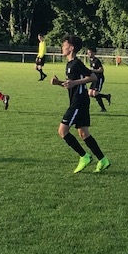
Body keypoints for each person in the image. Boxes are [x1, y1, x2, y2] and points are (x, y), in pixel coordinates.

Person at [51, 35, 111, 173]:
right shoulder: (69, 64)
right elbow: (70, 84)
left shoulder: (76, 63)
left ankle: (84, 157)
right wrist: (59, 83)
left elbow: (93, 77)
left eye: (64, 45)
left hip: (79, 101)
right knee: (83, 133)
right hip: (79, 100)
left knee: (62, 131)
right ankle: (103, 160)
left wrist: (74, 82)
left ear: (71, 48)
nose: (62, 47)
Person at [86, 46, 112, 112]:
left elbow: (101, 70)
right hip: (94, 78)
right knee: (90, 93)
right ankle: (106, 96)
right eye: (88, 52)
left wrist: (92, 70)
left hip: (99, 78)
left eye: (90, 52)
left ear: (94, 53)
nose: (88, 54)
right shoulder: (90, 61)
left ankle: (103, 109)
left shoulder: (96, 60)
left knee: (95, 93)